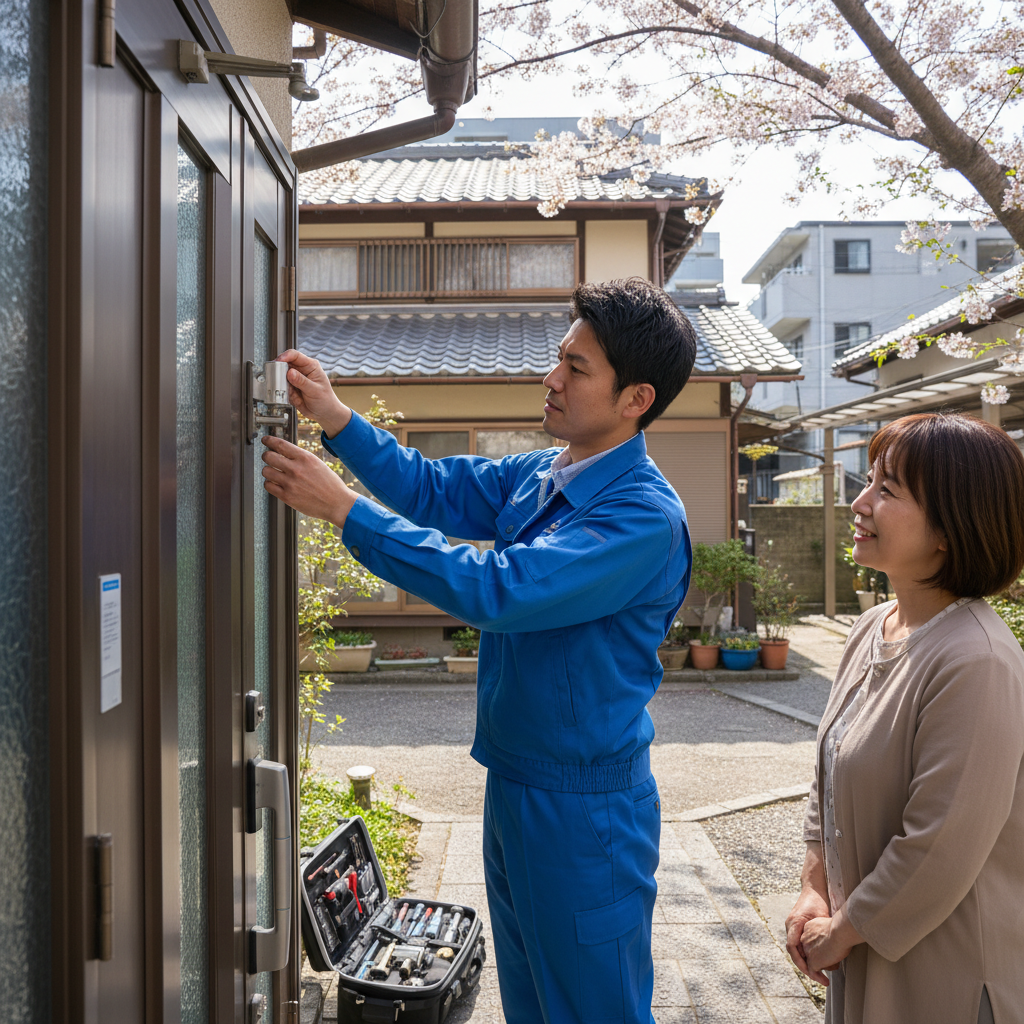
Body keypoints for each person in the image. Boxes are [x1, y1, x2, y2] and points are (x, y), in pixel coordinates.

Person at [261, 278, 697, 1023]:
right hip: (517, 783)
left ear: (636, 399)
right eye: (559, 357)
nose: (551, 378)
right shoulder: (545, 474)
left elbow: (503, 590)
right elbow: (430, 488)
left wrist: (344, 510)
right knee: (531, 999)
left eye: (577, 368)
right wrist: (335, 419)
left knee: (596, 1009)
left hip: (585, 809)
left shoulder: (641, 517)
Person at [785, 412, 1024, 1024]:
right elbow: (829, 770)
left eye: (887, 490)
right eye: (869, 482)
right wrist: (815, 887)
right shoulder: (874, 625)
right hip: (864, 944)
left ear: (950, 527)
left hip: (946, 967)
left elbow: (940, 845)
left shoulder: (979, 658)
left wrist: (842, 930)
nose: (860, 503)